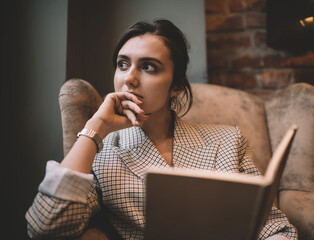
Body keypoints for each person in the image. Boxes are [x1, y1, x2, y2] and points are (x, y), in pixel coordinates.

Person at [26, 19, 298, 240]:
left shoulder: (229, 140)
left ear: (176, 86)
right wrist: (95, 127)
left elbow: (273, 228)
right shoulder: (100, 153)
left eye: (148, 67)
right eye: (122, 64)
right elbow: (46, 226)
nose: (129, 79)